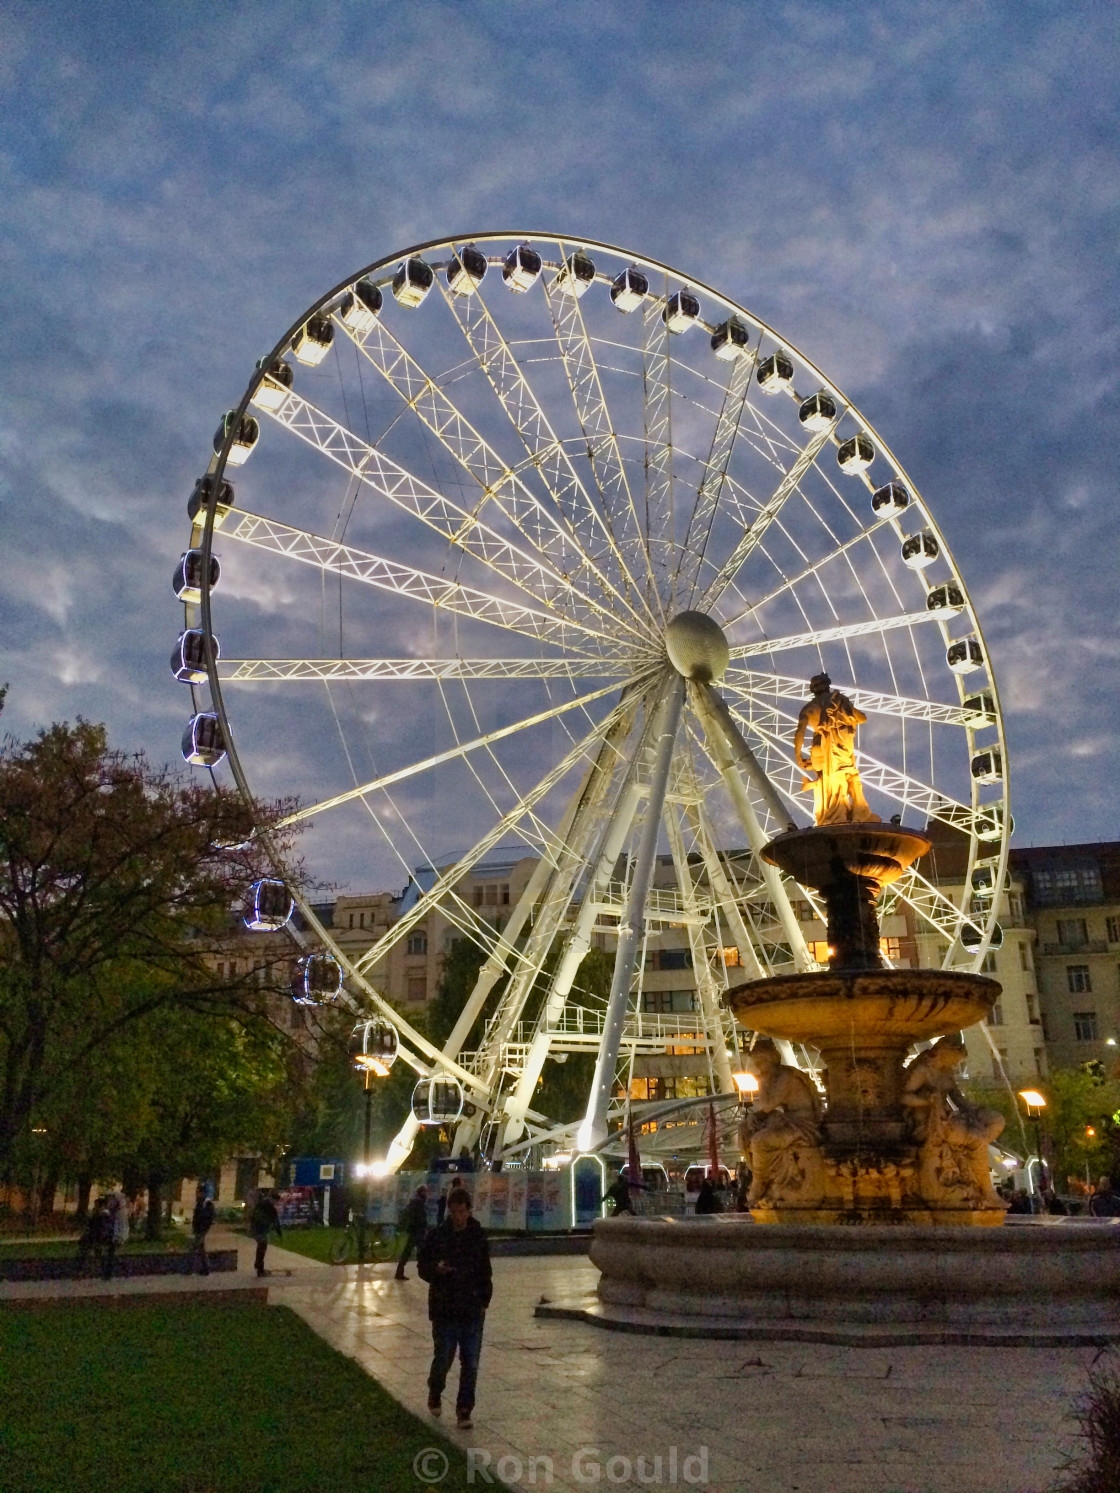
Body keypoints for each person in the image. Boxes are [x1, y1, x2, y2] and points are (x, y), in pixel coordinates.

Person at [418, 1186, 492, 1431]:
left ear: (469, 1211)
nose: (459, 1217)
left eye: (462, 1212)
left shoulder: (477, 1236)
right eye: (454, 1212)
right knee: (444, 1358)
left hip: (471, 1307)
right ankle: (435, 1390)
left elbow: (485, 1271)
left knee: (470, 1362)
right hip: (445, 1307)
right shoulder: (438, 1236)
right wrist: (435, 1270)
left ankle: (464, 1409)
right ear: (449, 1212)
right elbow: (423, 1265)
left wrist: (483, 1300)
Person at [793, 672, 880, 826]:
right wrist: (843, 717)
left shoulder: (808, 709)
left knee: (825, 779)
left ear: (812, 689)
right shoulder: (840, 702)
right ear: (827, 685)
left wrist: (798, 755)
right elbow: (862, 718)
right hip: (840, 742)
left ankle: (829, 814)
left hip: (819, 744)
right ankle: (854, 812)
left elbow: (800, 732)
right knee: (847, 775)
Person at [395, 1184, 430, 1280]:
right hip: (417, 1231)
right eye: (425, 1192)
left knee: (409, 1251)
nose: (427, 1194)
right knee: (422, 1251)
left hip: (414, 1230)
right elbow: (420, 1218)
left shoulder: (415, 1201)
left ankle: (399, 1271)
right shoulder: (418, 1202)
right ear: (422, 1192)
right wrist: (424, 1228)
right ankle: (426, 1271)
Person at [249, 1189, 283, 1277]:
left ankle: (258, 1266)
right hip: (260, 1229)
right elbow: (276, 1222)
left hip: (256, 1228)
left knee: (261, 1246)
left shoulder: (262, 1203)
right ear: (273, 1199)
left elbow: (254, 1215)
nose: (275, 1203)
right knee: (262, 1246)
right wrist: (279, 1233)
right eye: (275, 1201)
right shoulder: (269, 1207)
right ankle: (260, 1269)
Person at [77, 1197, 113, 1275]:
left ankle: (92, 1269)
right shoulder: (99, 1214)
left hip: (98, 1237)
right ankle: (94, 1268)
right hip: (95, 1236)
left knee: (92, 1252)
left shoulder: (103, 1215)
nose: (95, 1207)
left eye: (96, 1205)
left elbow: (101, 1227)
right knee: (93, 1253)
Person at [187, 1183, 216, 1275]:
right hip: (198, 1229)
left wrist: (204, 1227)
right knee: (201, 1249)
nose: (197, 1194)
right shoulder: (199, 1202)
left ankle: (190, 1269)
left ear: (203, 1193)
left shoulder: (207, 1203)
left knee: (193, 1248)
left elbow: (209, 1217)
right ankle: (205, 1268)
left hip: (202, 1229)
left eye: (198, 1192)